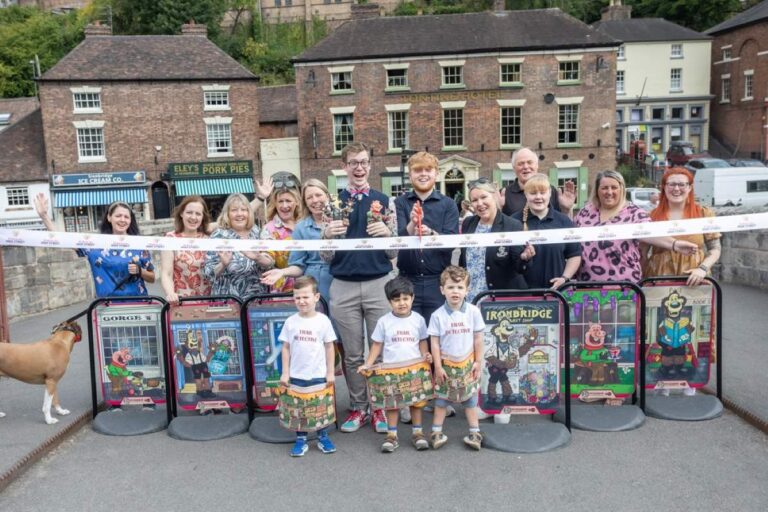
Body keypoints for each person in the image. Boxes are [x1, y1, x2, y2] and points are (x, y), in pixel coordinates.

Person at [321, 141, 397, 434]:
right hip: (343, 286)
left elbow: (394, 254)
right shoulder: (333, 203)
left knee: (379, 351)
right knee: (352, 354)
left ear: (370, 165)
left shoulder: (384, 200)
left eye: (364, 162)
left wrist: (388, 234)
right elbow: (325, 256)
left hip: (379, 283)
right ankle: (358, 407)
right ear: (344, 166)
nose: (359, 167)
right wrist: (327, 235)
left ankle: (379, 407)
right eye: (353, 162)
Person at [574, 170, 698, 283]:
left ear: (622, 189)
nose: (609, 192)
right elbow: (570, 238)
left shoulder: (634, 213)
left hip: (624, 286)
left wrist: (674, 244)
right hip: (586, 285)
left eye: (614, 188)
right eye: (604, 188)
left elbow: (651, 234)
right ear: (597, 190)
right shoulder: (585, 212)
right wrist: (566, 209)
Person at [358, 276, 433, 452]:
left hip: (414, 369)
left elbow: (422, 341)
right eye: (396, 299)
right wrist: (368, 364)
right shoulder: (384, 321)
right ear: (389, 301)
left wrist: (426, 355)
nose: (401, 303)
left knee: (416, 402)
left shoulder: (419, 320)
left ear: (412, 298)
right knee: (392, 403)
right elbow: (377, 344)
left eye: (405, 298)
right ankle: (392, 435)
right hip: (391, 371)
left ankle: (418, 433)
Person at [34, 194, 155, 297]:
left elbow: (152, 278)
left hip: (137, 304)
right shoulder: (96, 243)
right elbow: (64, 240)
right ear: (109, 217)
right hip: (106, 307)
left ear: (130, 220)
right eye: (118, 216)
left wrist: (140, 271)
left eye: (126, 217)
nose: (122, 220)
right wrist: (45, 216)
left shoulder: (139, 244)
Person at [394, 151, 459, 325]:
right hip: (407, 281)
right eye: (418, 170)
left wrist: (431, 234)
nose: (423, 174)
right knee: (408, 336)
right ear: (410, 175)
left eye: (428, 169)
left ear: (436, 173)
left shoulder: (449, 204)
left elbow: (450, 243)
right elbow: (399, 239)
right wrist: (412, 224)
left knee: (437, 336)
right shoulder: (400, 202)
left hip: (437, 281)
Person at [427, 266, 486, 451]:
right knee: (442, 400)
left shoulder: (474, 312)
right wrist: (437, 366)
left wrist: (478, 362)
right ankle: (436, 432)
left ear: (467, 290)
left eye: (460, 288)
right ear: (442, 289)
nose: (455, 292)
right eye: (451, 287)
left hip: (468, 363)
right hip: (446, 365)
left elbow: (478, 339)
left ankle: (475, 432)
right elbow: (434, 343)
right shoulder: (437, 315)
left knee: (470, 400)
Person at [278, 276, 337, 457]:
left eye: (306, 297)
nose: (302, 301)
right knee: (299, 408)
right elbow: (286, 348)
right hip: (296, 374)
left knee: (320, 407)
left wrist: (330, 372)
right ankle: (301, 439)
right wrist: (285, 373)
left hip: (318, 374)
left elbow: (329, 347)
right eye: (297, 298)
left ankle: (323, 436)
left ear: (316, 297)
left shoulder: (323, 321)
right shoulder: (290, 322)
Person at [642, 167, 721, 286]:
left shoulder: (704, 214)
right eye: (672, 184)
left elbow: (715, 249)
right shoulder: (650, 217)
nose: (676, 188)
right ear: (664, 187)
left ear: (690, 187)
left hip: (695, 279)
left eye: (682, 184)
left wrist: (702, 269)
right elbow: (642, 254)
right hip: (659, 278)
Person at [460, 179, 534, 303]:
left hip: (500, 301)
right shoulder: (468, 223)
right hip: (472, 298)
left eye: (484, 197)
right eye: (474, 200)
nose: (480, 203)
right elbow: (463, 262)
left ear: (494, 196)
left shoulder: (512, 225)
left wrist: (524, 258)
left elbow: (520, 267)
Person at [262, 179, 332, 302]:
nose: (315, 200)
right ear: (304, 202)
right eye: (309, 197)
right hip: (311, 286)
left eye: (318, 195)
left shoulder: (342, 221)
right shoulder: (301, 227)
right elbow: (298, 265)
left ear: (327, 196)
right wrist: (282, 272)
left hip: (340, 283)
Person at [513, 174, 581, 289]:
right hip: (522, 293)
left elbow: (574, 254)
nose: (538, 197)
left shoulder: (564, 221)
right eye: (533, 193)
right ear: (525, 194)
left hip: (556, 291)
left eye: (542, 192)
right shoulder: (513, 222)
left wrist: (564, 278)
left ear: (549, 193)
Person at [203, 193, 274, 300]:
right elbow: (208, 275)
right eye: (234, 210)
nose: (239, 214)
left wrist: (258, 257)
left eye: (244, 209)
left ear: (249, 212)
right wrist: (223, 264)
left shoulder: (258, 232)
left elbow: (271, 263)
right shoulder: (218, 235)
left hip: (257, 299)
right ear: (227, 213)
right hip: (228, 301)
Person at [160, 196, 212, 304]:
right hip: (181, 302)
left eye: (198, 214)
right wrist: (170, 293)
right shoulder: (170, 238)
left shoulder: (209, 239)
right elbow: (167, 273)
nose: (193, 217)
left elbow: (229, 219)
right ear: (181, 213)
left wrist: (258, 199)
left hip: (209, 302)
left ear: (203, 217)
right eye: (189, 212)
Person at [501, 147, 575, 217]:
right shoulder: (504, 194)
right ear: (514, 168)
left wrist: (566, 209)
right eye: (521, 164)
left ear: (537, 166)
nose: (526, 167)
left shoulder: (551, 190)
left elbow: (564, 224)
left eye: (530, 162)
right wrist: (498, 209)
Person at [260, 184, 302, 293]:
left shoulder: (304, 223)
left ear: (296, 202)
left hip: (307, 284)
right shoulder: (269, 228)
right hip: (282, 287)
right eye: (280, 201)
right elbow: (268, 256)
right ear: (275, 204)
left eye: (288, 201)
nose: (284, 205)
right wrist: (258, 257)